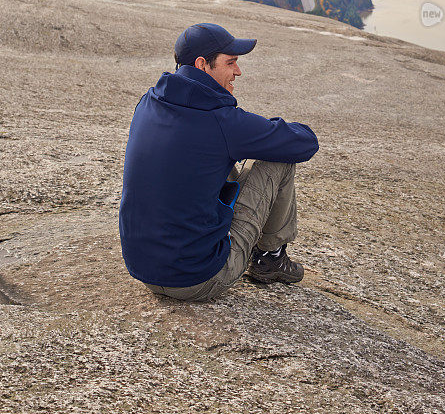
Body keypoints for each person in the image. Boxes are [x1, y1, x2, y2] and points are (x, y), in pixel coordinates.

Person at [119, 22, 319, 303]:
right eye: (231, 62)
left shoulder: (148, 102)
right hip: (199, 278)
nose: (238, 71)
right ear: (202, 65)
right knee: (278, 160)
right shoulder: (222, 122)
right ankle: (270, 259)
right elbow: (305, 143)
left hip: (144, 270)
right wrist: (266, 129)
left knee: (206, 160)